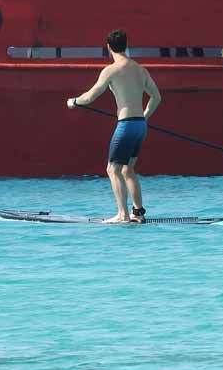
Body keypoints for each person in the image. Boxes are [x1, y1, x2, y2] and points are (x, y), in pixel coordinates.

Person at [67, 29, 162, 224]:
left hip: (126, 125)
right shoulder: (140, 69)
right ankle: (138, 213)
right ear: (126, 45)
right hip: (140, 126)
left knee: (113, 169)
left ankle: (122, 214)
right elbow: (156, 97)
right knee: (128, 170)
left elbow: (90, 96)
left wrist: (74, 101)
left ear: (108, 47)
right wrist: (144, 117)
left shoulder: (110, 70)